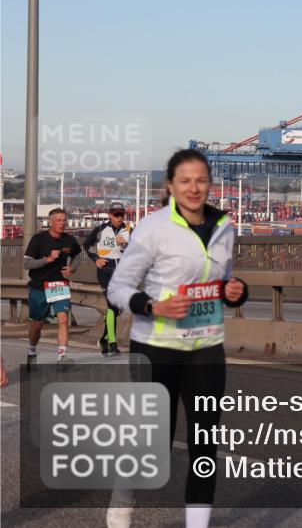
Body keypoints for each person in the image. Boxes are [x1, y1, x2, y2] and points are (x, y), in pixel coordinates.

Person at [107, 149, 248, 528]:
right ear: (170, 186)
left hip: (206, 345)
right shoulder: (153, 227)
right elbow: (118, 288)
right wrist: (151, 306)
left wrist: (235, 290)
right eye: (184, 180)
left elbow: (224, 281)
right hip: (157, 347)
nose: (194, 188)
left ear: (210, 183)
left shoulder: (224, 226)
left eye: (201, 179)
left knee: (205, 442)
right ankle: (122, 501)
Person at [23, 208, 82, 366]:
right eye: (59, 220)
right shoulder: (38, 239)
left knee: (63, 319)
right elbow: (26, 263)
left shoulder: (69, 240)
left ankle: (62, 356)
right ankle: (32, 350)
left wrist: (72, 269)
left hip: (59, 284)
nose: (62, 223)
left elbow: (77, 255)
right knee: (38, 324)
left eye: (64, 220)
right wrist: (46, 260)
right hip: (39, 286)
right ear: (51, 222)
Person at [83, 201, 132, 356]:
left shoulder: (129, 230)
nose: (119, 217)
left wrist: (126, 244)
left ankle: (104, 338)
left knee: (117, 309)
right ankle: (112, 343)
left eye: (121, 214)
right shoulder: (100, 229)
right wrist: (96, 259)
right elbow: (86, 245)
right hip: (106, 271)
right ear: (110, 215)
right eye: (116, 214)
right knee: (112, 306)